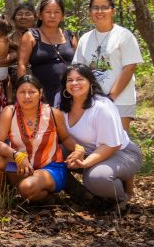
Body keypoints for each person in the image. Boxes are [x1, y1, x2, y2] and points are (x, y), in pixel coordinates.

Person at [58, 64, 143, 205]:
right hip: (86, 151)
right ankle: (84, 195)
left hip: (121, 153)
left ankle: (122, 197)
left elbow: (112, 145)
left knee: (97, 178)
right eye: (69, 80)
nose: (74, 83)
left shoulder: (102, 107)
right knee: (49, 156)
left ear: (90, 82)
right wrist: (78, 151)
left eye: (79, 79)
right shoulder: (63, 104)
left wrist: (85, 163)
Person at [0, 74, 76, 202]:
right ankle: (6, 198)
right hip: (21, 167)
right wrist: (16, 155)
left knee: (27, 187)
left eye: (31, 92)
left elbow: (65, 139)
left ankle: (44, 197)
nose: (27, 96)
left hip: (51, 168)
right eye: (22, 92)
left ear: (40, 93)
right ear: (16, 94)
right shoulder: (9, 112)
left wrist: (78, 149)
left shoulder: (53, 113)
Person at [73, 0, 142, 131]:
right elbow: (79, 70)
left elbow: (129, 68)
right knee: (97, 142)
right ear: (90, 12)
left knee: (120, 144)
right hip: (92, 101)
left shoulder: (124, 36)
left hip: (120, 99)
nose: (99, 11)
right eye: (95, 7)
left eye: (104, 7)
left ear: (113, 11)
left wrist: (110, 98)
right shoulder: (85, 39)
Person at [17, 0, 77, 106]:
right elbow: (21, 65)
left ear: (62, 16)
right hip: (41, 94)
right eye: (48, 12)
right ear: (40, 15)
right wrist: (24, 90)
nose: (52, 16)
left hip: (69, 92)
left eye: (57, 12)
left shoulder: (70, 36)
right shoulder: (31, 36)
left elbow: (79, 65)